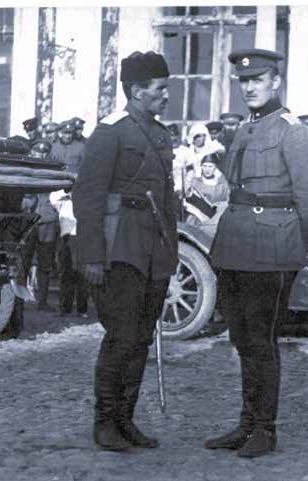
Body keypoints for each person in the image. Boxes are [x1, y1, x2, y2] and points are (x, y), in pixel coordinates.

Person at [205, 48, 308, 458]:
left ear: (276, 82)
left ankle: (264, 430)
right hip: (235, 246)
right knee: (241, 338)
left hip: (271, 249)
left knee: (261, 339)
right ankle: (245, 424)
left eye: (258, 79)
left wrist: (287, 240)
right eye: (244, 81)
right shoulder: (245, 128)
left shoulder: (293, 131)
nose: (250, 87)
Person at [73, 51, 178, 451]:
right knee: (121, 336)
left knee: (141, 339)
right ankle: (104, 422)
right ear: (136, 91)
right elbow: (88, 197)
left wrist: (171, 252)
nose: (166, 95)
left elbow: (168, 201)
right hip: (119, 247)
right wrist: (92, 256)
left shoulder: (161, 134)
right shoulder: (110, 132)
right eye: (160, 89)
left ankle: (125, 419)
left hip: (153, 249)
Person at [50, 188, 89, 318]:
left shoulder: (85, 193)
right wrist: (68, 193)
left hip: (82, 235)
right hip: (65, 236)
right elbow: (53, 197)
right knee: (65, 273)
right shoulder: (61, 196)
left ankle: (82, 309)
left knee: (81, 274)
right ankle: (65, 308)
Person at [183, 154, 230, 232]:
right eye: (204, 166)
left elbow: (228, 202)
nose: (207, 169)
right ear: (201, 167)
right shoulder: (195, 182)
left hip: (217, 219)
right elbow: (187, 199)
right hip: (197, 219)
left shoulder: (223, 184)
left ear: (215, 167)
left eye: (210, 166)